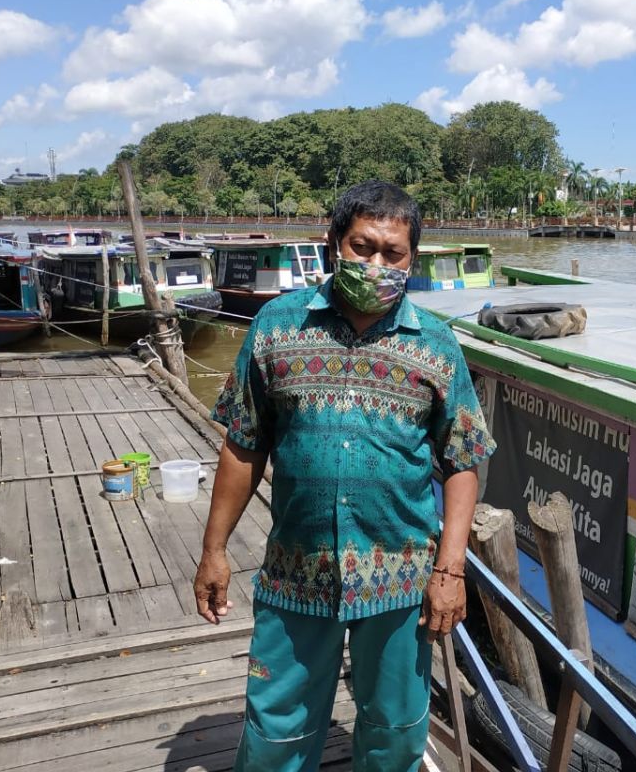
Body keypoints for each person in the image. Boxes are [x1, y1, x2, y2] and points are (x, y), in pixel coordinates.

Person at [195, 180, 496, 772]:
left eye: (393, 253)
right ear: (334, 243)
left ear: (411, 259)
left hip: (401, 578)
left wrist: (451, 570)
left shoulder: (435, 345)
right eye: (363, 247)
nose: (377, 263)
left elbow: (463, 462)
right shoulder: (278, 326)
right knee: (275, 731)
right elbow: (243, 444)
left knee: (396, 732)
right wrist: (214, 550)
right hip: (294, 573)